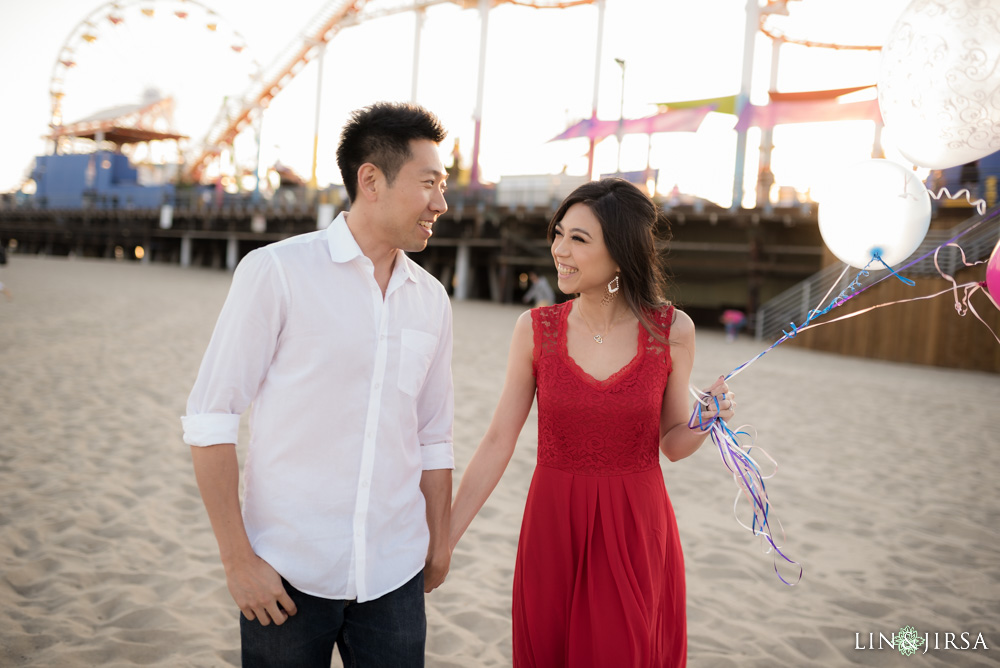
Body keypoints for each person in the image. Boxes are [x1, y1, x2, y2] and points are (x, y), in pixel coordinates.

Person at [182, 102, 454, 667]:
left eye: (443, 186)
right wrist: (238, 562)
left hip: (394, 574)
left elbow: (433, 438)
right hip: (285, 574)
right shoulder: (276, 272)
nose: (441, 203)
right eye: (428, 184)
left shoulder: (431, 299)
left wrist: (438, 542)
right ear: (371, 180)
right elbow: (211, 419)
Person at [449, 178, 735, 667]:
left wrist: (707, 420)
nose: (560, 249)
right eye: (558, 233)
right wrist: (446, 539)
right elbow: (499, 439)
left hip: (634, 527)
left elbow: (671, 443)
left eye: (578, 239)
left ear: (621, 254)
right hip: (552, 526)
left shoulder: (672, 331)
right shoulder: (534, 331)